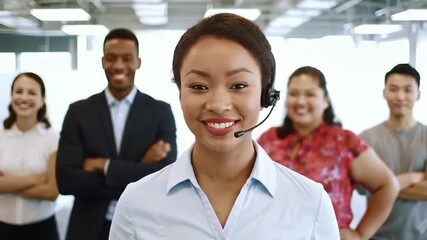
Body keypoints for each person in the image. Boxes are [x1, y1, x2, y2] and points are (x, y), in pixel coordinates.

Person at [109, 13, 340, 240]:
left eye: (238, 85)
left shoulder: (311, 202)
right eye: (199, 86)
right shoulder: (136, 203)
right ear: (180, 93)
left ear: (266, 95)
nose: (218, 105)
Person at [56, 28, 177, 240]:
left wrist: (104, 166)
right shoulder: (78, 112)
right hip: (88, 229)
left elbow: (165, 178)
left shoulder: (160, 111)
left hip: (143, 228)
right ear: (103, 61)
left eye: (127, 58)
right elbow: (66, 181)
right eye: (111, 58)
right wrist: (139, 170)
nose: (119, 66)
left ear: (138, 62)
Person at [258, 66, 399, 240]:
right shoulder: (269, 139)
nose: (300, 101)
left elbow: (388, 185)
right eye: (294, 94)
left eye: (310, 94)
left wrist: (361, 234)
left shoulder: (344, 142)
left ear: (325, 100)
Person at [359, 63, 427, 240]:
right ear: (384, 93)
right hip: (375, 236)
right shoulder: (367, 138)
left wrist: (382, 187)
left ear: (418, 94)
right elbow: (362, 188)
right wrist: (413, 178)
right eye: (394, 89)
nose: (400, 96)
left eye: (408, 90)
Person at [0, 72, 60, 240]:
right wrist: (36, 179)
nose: (24, 97)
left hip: (42, 229)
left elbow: (51, 192)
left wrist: (7, 185)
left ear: (42, 100)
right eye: (19, 91)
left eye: (32, 93)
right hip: (3, 228)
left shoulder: (54, 138)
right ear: (11, 96)